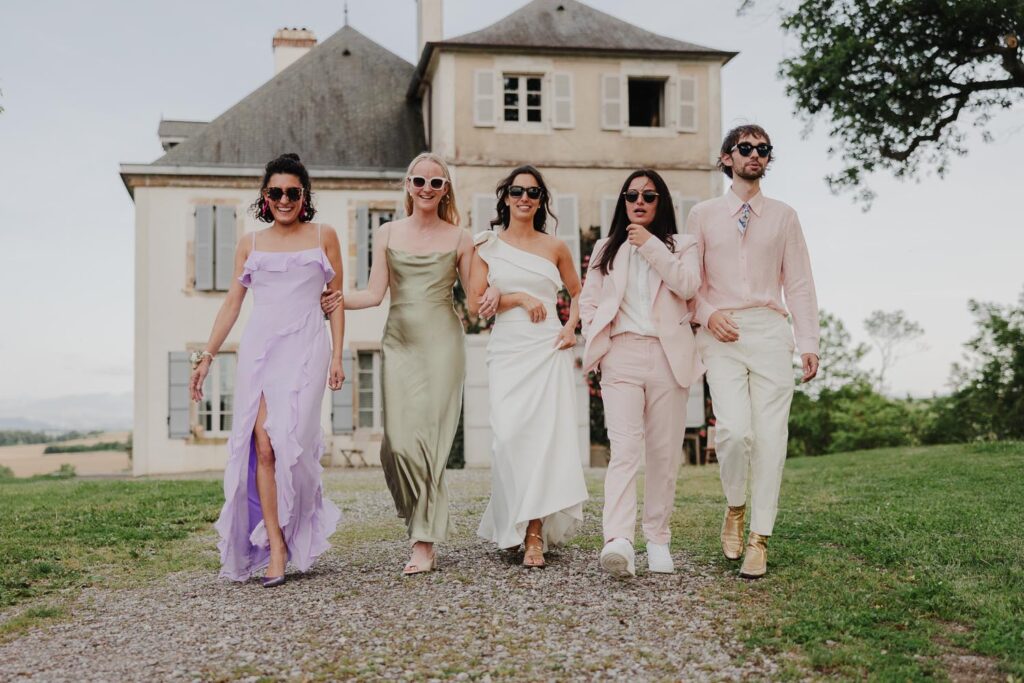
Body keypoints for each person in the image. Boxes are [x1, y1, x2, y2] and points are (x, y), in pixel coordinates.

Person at [191, 153, 344, 587]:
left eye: (292, 192)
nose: (284, 199)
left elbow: (335, 301)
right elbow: (232, 304)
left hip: (307, 347)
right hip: (260, 351)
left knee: (292, 441)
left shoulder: (324, 236)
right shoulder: (250, 243)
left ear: (304, 196)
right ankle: (275, 545)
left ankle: (299, 523)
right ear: (265, 197)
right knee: (263, 446)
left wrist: (336, 356)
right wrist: (206, 356)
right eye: (275, 192)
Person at [322, 152, 471, 575]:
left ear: (445, 191)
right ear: (408, 186)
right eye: (419, 181)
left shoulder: (461, 238)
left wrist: (501, 287)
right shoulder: (387, 232)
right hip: (400, 342)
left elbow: (476, 297)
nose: (426, 189)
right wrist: (333, 298)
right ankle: (419, 518)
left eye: (435, 183)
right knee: (398, 444)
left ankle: (423, 542)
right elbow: (372, 294)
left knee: (431, 444)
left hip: (443, 343)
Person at [690, 125, 820, 579]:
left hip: (770, 330)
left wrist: (808, 343)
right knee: (733, 433)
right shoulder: (703, 214)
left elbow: (799, 282)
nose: (755, 156)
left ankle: (759, 539)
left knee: (770, 440)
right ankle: (735, 506)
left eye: (763, 150)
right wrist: (707, 315)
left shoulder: (784, 216)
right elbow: (689, 283)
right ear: (727, 158)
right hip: (720, 332)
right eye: (746, 149)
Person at [580, 169, 703, 577]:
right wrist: (599, 344)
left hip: (669, 357)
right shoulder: (605, 248)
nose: (639, 201)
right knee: (625, 450)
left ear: (660, 202)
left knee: (664, 454)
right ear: (623, 201)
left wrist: (651, 245)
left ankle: (657, 538)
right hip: (622, 354)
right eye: (631, 195)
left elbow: (687, 286)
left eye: (649, 196)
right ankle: (618, 540)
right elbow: (589, 302)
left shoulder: (681, 245)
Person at [468, 165, 589, 568]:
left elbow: (578, 292)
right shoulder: (487, 245)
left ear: (541, 202)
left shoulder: (555, 247)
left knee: (542, 439)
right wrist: (517, 297)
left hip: (547, 346)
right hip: (508, 347)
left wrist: (571, 326)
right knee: (507, 438)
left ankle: (534, 533)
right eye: (518, 191)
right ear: (505, 197)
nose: (525, 198)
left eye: (533, 193)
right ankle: (510, 522)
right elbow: (477, 303)